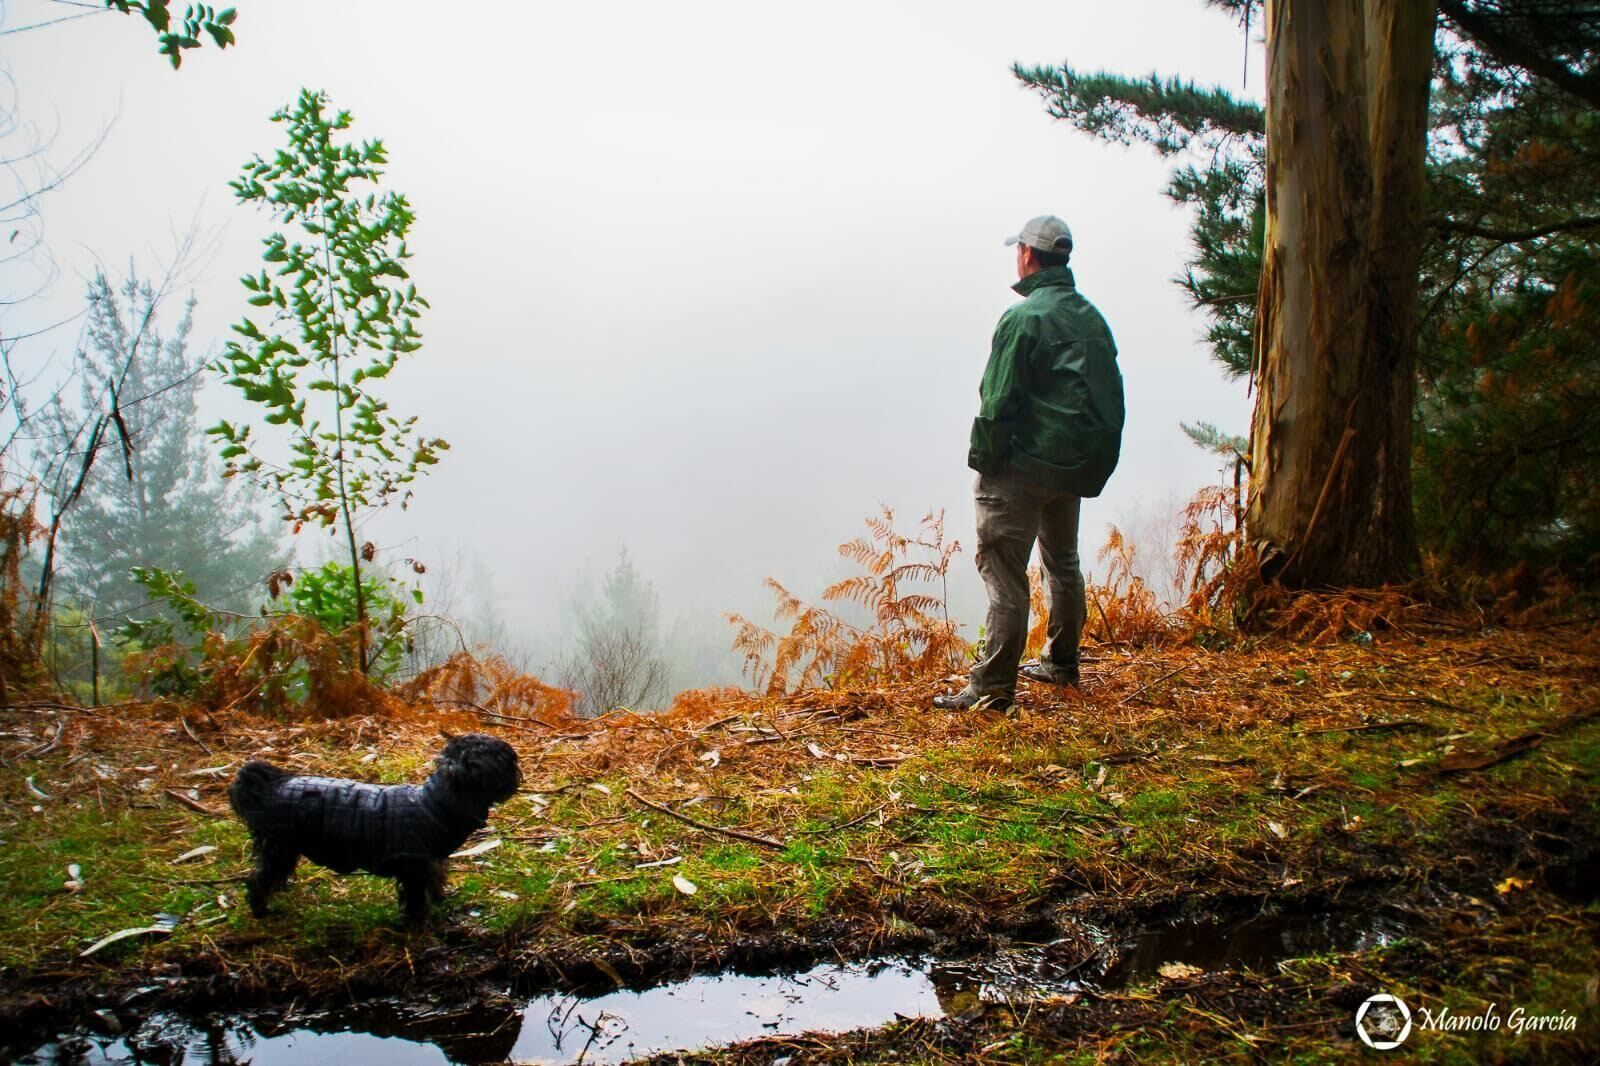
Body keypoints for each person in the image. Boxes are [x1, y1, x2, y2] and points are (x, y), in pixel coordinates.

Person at [934, 215, 1124, 711]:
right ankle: (1062, 664)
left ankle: (993, 689)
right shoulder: (1090, 317)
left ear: (1027, 255)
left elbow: (997, 400)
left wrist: (985, 464)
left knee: (1005, 576)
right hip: (1072, 468)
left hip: (1022, 468)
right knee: (1063, 564)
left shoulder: (1022, 319)